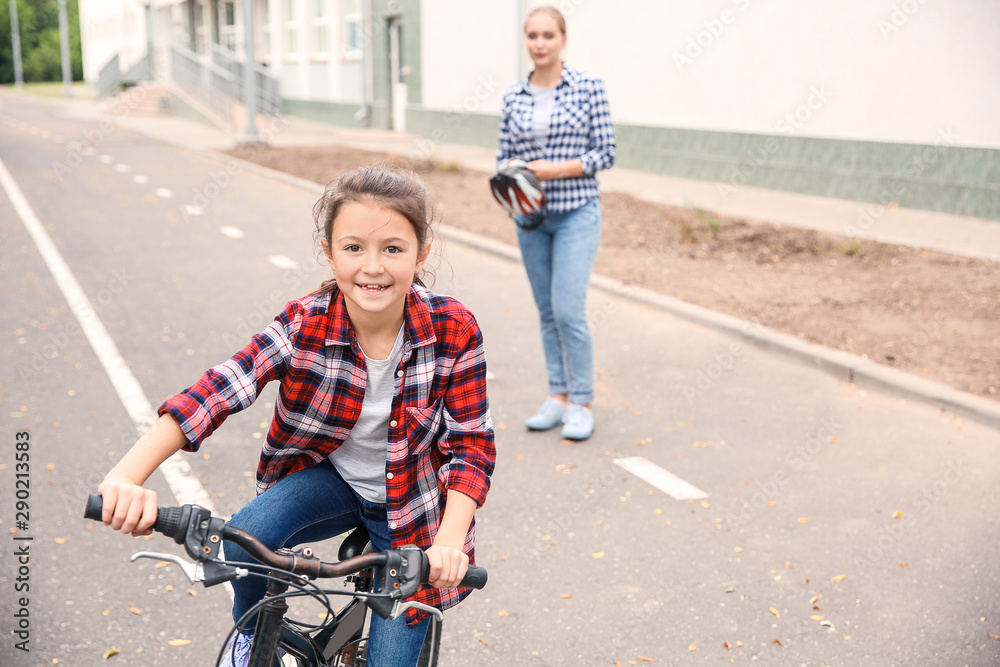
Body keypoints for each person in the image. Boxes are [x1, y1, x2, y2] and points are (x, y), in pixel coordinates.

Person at [96, 166, 496, 667]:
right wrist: (126, 476)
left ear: (421, 254)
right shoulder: (305, 321)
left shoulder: (453, 328)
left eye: (393, 249)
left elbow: (471, 445)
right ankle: (254, 634)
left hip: (413, 505)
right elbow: (220, 388)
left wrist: (449, 543)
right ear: (329, 253)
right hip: (335, 480)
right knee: (242, 542)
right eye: (353, 248)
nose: (372, 267)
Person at [497, 5, 616, 441]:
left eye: (548, 35)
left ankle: (582, 401)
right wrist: (513, 176)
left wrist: (554, 170)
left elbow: (605, 153)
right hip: (528, 217)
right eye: (532, 35)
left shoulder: (588, 88)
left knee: (569, 310)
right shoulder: (513, 96)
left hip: (576, 212)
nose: (540, 43)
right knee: (547, 313)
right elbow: (502, 156)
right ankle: (558, 397)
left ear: (563, 39)